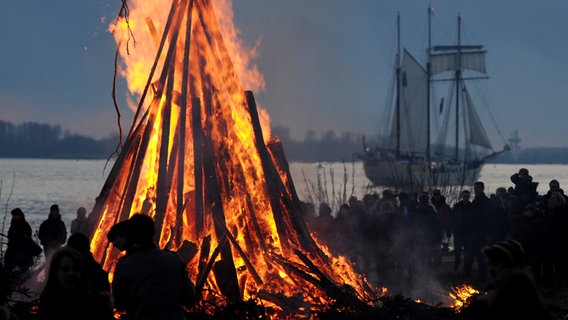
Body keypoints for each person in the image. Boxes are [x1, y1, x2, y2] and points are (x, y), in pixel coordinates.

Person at [112, 214, 196, 320]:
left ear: (130, 236)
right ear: (152, 232)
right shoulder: (174, 259)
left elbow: (119, 305)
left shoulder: (124, 266)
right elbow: (190, 297)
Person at [461, 240, 551, 319]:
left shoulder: (512, 297)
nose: (490, 269)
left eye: (495, 264)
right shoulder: (533, 293)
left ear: (510, 265)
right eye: (489, 264)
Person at [37, 247, 115, 320]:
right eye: (65, 269)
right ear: (55, 273)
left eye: (76, 269)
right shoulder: (48, 305)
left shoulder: (97, 306)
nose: (71, 273)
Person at [4, 208, 41, 274]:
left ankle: (24, 274)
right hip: (12, 247)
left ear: (20, 215)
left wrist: (19, 239)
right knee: (8, 261)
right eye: (13, 215)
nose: (13, 217)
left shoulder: (25, 225)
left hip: (22, 248)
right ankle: (9, 275)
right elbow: (10, 234)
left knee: (23, 263)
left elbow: (27, 238)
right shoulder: (13, 224)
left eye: (15, 215)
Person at [449, 190, 471, 272]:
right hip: (458, 233)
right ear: (462, 196)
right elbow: (452, 218)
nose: (465, 198)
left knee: (467, 253)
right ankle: (456, 267)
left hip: (467, 234)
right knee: (457, 252)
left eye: (467, 196)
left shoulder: (471, 206)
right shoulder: (457, 206)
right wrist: (450, 229)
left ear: (468, 197)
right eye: (464, 196)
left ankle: (465, 269)